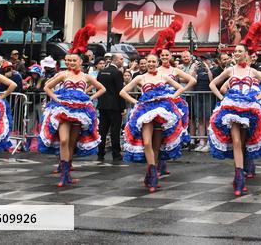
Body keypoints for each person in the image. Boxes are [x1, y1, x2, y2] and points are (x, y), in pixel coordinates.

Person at [208, 29, 261, 196]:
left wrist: (259, 96)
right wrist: (222, 98)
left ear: (246, 54)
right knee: (236, 141)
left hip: (249, 109)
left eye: (239, 51)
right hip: (232, 108)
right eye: (235, 51)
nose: (236, 53)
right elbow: (213, 84)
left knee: (244, 141)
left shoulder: (253, 71)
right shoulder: (230, 70)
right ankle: (239, 178)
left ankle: (245, 167)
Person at [120, 54, 189, 192]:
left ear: (157, 63)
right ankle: (152, 174)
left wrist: (171, 98)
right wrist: (137, 102)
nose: (151, 64)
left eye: (153, 61)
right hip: (146, 113)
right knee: (147, 143)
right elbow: (123, 92)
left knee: (157, 146)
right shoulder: (140, 78)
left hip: (161, 113)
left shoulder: (163, 76)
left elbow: (180, 87)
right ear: (145, 63)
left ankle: (151, 176)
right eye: (149, 61)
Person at [39, 53, 105, 187]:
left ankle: (66, 174)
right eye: (70, 60)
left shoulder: (86, 76)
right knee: (64, 140)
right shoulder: (64, 74)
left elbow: (102, 88)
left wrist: (89, 98)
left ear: (80, 62)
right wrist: (56, 98)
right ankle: (63, 173)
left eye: (75, 60)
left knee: (71, 143)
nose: (72, 62)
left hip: (80, 111)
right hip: (64, 110)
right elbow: (47, 87)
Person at [156, 47, 196, 175]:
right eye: (162, 55)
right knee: (159, 133)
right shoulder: (156, 70)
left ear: (171, 56)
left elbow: (193, 80)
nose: (164, 57)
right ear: (160, 57)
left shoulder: (175, 70)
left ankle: (162, 164)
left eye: (166, 55)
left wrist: (179, 92)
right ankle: (159, 165)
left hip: (173, 103)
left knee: (169, 133)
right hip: (160, 104)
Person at [96, 53, 125, 163]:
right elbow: (120, 91)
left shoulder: (102, 72)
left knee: (102, 130)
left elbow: (98, 88)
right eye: (121, 59)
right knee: (115, 131)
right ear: (116, 60)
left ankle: (100, 152)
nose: (122, 61)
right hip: (115, 106)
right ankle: (116, 154)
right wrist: (123, 107)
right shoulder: (117, 73)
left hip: (102, 105)